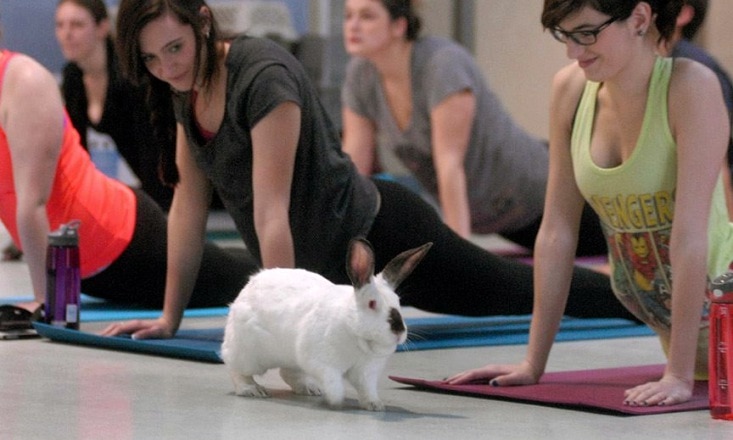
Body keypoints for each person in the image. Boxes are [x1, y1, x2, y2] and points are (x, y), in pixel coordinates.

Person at [105, 0, 640, 340]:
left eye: (174, 48)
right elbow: (187, 210)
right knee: (513, 290)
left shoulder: (261, 75)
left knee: (514, 291)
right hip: (332, 268)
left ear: (202, 21)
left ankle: (646, 302)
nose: (167, 66)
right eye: (151, 59)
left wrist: (287, 331)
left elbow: (272, 212)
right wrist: (169, 318)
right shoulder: (186, 89)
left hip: (384, 236)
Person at [447, 0, 733, 407]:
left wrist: (679, 376)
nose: (574, 51)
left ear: (638, 18)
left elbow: (690, 236)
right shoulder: (571, 90)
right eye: (565, 35)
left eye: (587, 33)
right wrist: (532, 364)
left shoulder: (690, 87)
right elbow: (557, 231)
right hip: (690, 341)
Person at [0, 40, 256, 324]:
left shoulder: (24, 83)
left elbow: (34, 201)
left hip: (121, 235)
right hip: (83, 270)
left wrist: (45, 300)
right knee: (228, 267)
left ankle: (307, 267)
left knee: (243, 280)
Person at [341, 0, 606, 256]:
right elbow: (354, 169)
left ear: (398, 25)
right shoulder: (360, 76)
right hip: (503, 220)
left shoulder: (443, 63)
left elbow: (450, 164)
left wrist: (459, 254)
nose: (352, 26)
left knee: (626, 249)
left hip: (547, 194)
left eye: (366, 16)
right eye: (348, 15)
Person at [55, 0, 174, 210]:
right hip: (145, 183)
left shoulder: (132, 76)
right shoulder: (73, 77)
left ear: (102, 28)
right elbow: (77, 152)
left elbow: (152, 150)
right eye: (60, 25)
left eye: (77, 25)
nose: (66, 34)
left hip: (170, 184)